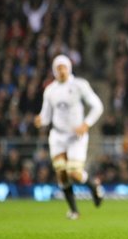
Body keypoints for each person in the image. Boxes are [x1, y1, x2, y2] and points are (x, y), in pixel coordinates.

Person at [34, 54, 105, 220]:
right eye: (58, 68)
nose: (61, 71)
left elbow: (97, 106)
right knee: (61, 173)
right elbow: (46, 115)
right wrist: (40, 120)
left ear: (69, 68)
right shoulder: (50, 90)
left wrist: (86, 124)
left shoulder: (79, 85)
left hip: (76, 136)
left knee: (74, 173)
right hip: (58, 136)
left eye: (63, 67)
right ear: (54, 70)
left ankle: (94, 186)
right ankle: (74, 211)